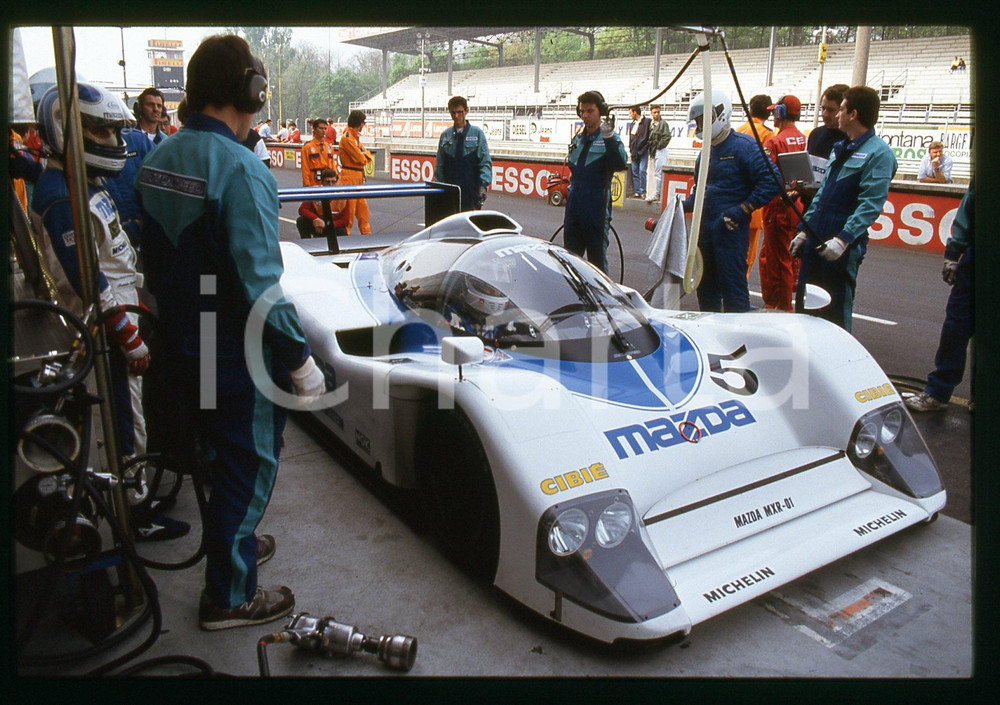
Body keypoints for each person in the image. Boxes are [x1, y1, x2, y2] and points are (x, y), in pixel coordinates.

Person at [136, 34, 326, 630]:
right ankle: (230, 595)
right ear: (253, 91)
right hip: (236, 353)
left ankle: (233, 541)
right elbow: (260, 285)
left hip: (182, 341)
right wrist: (299, 358)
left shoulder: (158, 157)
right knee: (251, 461)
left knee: (220, 454)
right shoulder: (242, 170)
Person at [30, 82, 189, 542]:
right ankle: (133, 512)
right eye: (100, 131)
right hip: (102, 327)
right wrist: (128, 337)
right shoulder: (63, 196)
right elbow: (88, 281)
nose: (113, 141)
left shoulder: (81, 181)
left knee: (132, 414)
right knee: (124, 421)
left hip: (120, 307)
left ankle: (133, 497)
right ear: (66, 129)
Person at [790, 85, 897, 332]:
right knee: (805, 307)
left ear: (853, 114)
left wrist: (843, 240)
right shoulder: (840, 147)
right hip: (817, 233)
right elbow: (822, 195)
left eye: (841, 110)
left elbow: (870, 204)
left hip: (842, 242)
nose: (836, 115)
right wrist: (805, 230)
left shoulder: (879, 154)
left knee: (835, 311)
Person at [683, 89, 781, 313]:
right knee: (705, 291)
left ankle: (738, 333)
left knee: (734, 293)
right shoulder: (705, 153)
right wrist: (680, 207)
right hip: (704, 233)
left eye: (703, 120)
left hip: (730, 232)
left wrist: (743, 209)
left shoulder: (744, 146)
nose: (700, 126)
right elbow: (700, 193)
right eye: (698, 122)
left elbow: (772, 181)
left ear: (719, 114)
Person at [905, 181, 974, 413]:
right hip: (978, 254)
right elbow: (967, 211)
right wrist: (953, 254)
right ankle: (938, 392)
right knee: (956, 326)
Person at [562, 90, 627, 273]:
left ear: (601, 112)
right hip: (574, 205)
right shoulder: (578, 138)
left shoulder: (610, 138)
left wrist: (609, 138)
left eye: (590, 111)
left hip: (596, 206)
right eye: (582, 111)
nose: (585, 115)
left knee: (596, 263)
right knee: (570, 260)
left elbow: (620, 164)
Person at [759, 95, 807, 312]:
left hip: (778, 206)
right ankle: (778, 302)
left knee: (778, 260)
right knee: (783, 257)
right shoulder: (804, 139)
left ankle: (780, 306)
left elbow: (765, 174)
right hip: (798, 205)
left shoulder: (775, 142)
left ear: (781, 112)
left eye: (774, 111)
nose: (772, 115)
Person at [105, 87, 168, 249]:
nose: (156, 109)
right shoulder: (127, 140)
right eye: (150, 105)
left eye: (159, 106)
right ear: (139, 108)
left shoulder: (167, 143)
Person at [735, 94, 776, 277]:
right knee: (748, 254)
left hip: (735, 199)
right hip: (754, 204)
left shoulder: (738, 131)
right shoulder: (768, 134)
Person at [434, 95, 493, 212]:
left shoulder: (477, 133)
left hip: (471, 191)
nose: (456, 116)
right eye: (453, 113)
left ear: (466, 111)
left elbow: (485, 162)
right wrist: (438, 186)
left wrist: (483, 185)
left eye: (460, 112)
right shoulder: (445, 135)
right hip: (449, 191)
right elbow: (440, 165)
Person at [338, 109, 373, 235]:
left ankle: (367, 237)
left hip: (358, 176)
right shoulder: (347, 138)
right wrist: (365, 154)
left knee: (363, 212)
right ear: (359, 123)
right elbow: (361, 159)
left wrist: (365, 154)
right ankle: (346, 238)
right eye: (363, 122)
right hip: (349, 177)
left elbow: (364, 156)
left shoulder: (354, 138)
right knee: (350, 212)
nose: (364, 125)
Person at [296, 168, 349, 246]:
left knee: (342, 231)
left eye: (333, 182)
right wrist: (315, 219)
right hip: (317, 225)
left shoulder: (343, 196)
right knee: (301, 221)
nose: (331, 185)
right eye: (327, 182)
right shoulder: (315, 192)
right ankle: (307, 245)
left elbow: (345, 220)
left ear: (337, 181)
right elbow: (302, 209)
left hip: (333, 226)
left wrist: (326, 225)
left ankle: (341, 249)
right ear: (322, 182)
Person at [300, 117, 338, 187]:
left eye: (325, 128)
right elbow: (305, 168)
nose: (323, 131)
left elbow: (333, 165)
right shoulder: (307, 147)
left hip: (327, 181)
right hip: (313, 181)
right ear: (314, 129)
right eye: (320, 128)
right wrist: (306, 184)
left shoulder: (329, 147)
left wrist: (335, 179)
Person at [645, 104, 671, 203]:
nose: (657, 114)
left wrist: (658, 146)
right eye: (654, 112)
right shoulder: (651, 124)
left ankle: (657, 193)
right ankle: (653, 193)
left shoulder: (663, 123)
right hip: (653, 150)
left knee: (658, 173)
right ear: (651, 113)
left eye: (658, 112)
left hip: (660, 150)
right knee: (653, 173)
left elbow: (667, 137)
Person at [626, 105, 651, 199]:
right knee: (635, 172)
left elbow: (647, 137)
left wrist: (644, 147)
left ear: (635, 112)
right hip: (634, 152)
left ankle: (643, 192)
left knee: (642, 170)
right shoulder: (632, 124)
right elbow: (631, 138)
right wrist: (631, 149)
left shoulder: (647, 121)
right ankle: (637, 192)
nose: (630, 115)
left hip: (643, 151)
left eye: (630, 113)